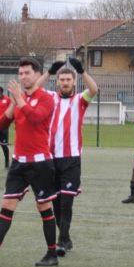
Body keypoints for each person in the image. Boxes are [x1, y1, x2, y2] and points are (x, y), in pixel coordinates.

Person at [0, 58, 60, 267]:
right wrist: (13, 104)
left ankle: (52, 254)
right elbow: (1, 125)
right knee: (7, 205)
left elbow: (36, 118)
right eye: (20, 73)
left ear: (38, 74)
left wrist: (19, 99)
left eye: (27, 73)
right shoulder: (19, 100)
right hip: (18, 163)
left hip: (40, 163)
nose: (23, 77)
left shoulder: (46, 98)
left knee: (44, 206)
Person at [38, 57, 99, 255]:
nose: (65, 83)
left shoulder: (80, 100)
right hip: (50, 158)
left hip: (71, 159)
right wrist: (49, 72)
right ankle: (65, 237)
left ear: (74, 82)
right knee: (56, 201)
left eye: (68, 80)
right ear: (57, 82)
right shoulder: (50, 98)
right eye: (62, 80)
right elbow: (35, 89)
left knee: (67, 200)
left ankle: (62, 240)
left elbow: (94, 89)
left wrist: (82, 71)